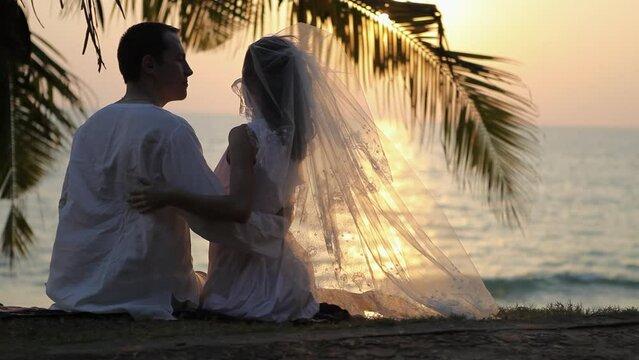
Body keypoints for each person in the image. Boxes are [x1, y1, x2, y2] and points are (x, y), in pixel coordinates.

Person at [129, 24, 499, 320]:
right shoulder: (297, 138)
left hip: (244, 285)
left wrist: (170, 195)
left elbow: (240, 209)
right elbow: (282, 211)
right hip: (286, 282)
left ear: (253, 83)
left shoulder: (245, 138)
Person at [46, 22, 285, 320]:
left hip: (76, 290)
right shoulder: (170, 129)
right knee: (213, 285)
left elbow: (68, 206)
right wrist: (277, 233)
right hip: (145, 292)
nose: (189, 70)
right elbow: (216, 221)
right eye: (179, 60)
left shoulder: (88, 128)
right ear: (149, 64)